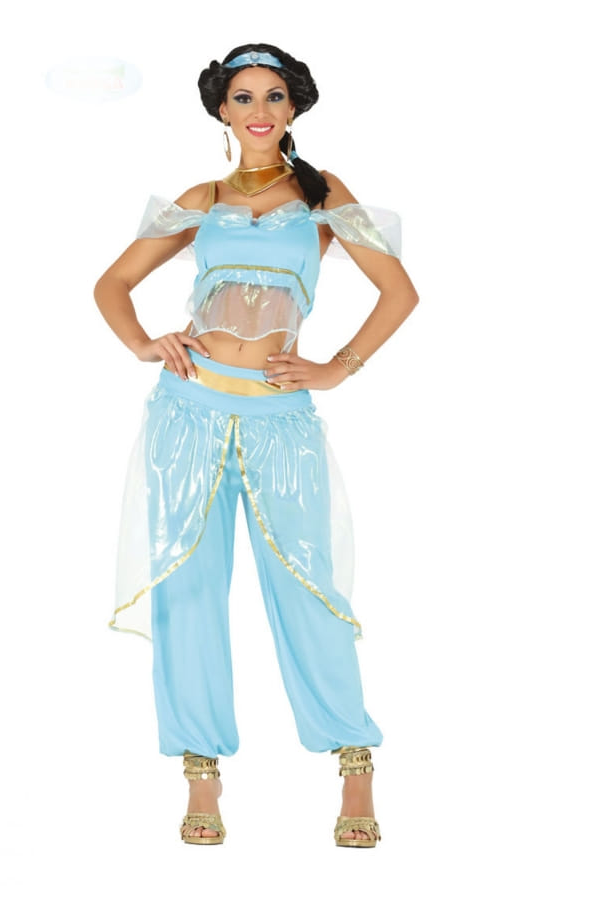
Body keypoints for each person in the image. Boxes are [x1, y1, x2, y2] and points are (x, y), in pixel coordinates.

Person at [94, 43, 418, 848]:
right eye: (243, 97)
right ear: (221, 110)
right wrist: (143, 343)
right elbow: (112, 283)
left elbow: (399, 291)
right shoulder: (200, 200)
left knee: (307, 586)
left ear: (295, 106)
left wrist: (336, 368)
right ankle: (201, 775)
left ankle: (354, 764)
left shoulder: (323, 195)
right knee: (188, 591)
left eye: (274, 96)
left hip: (281, 422)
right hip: (186, 415)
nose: (260, 111)